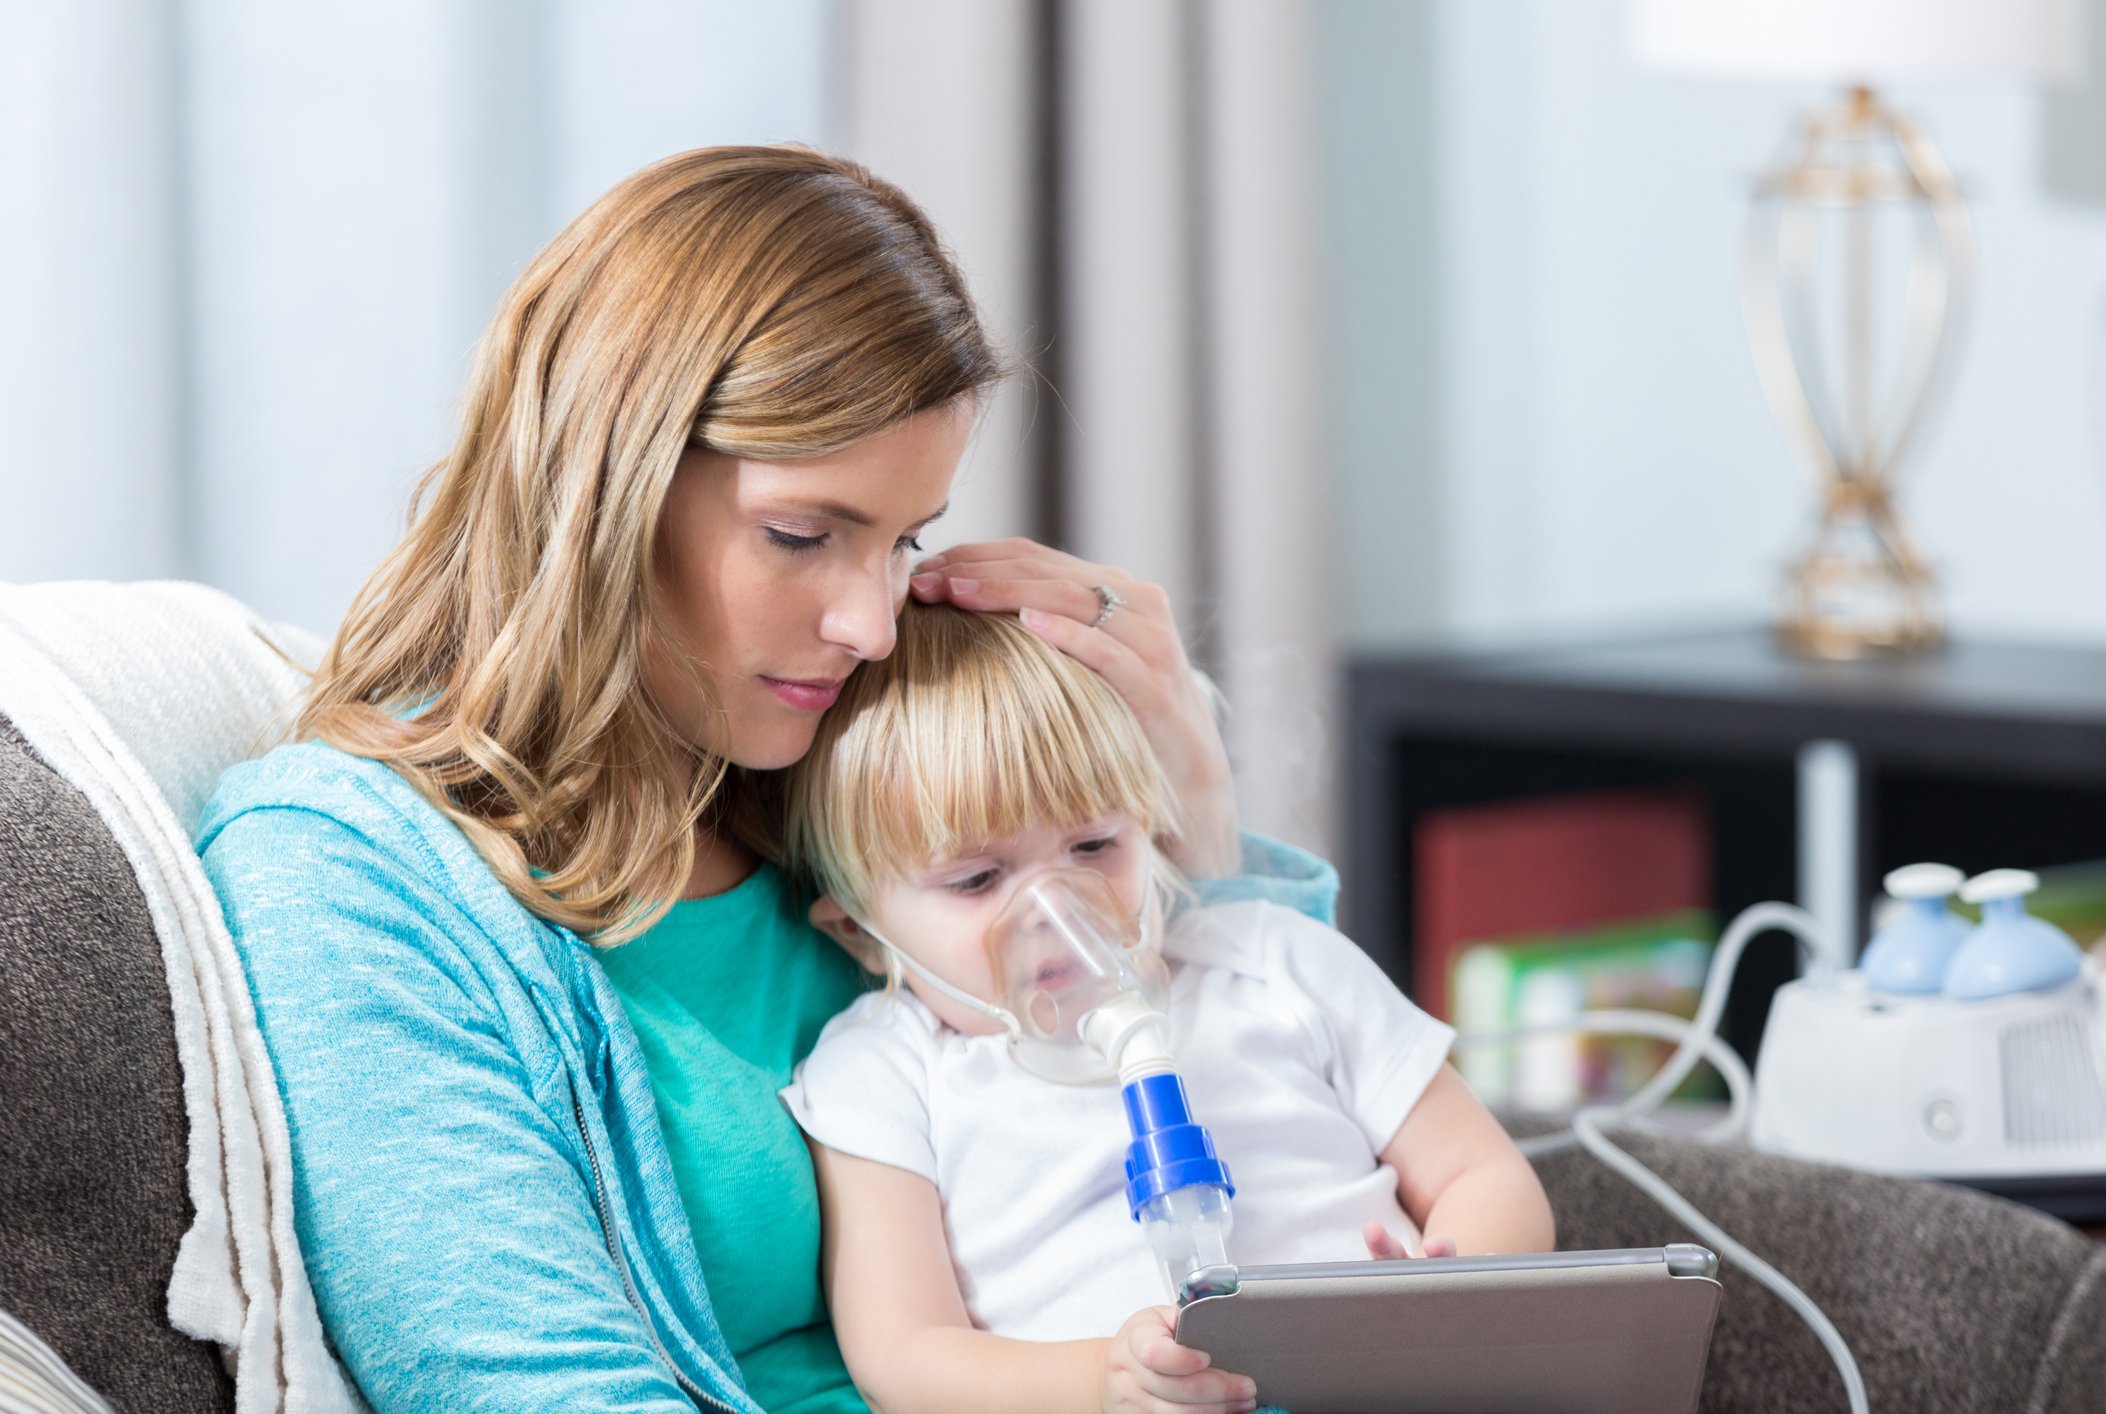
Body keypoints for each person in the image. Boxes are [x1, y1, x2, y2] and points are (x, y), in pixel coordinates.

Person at [196, 145, 1339, 1413]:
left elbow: (1297, 1141)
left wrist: (1185, 774)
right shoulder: (349, 876)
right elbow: (530, 1388)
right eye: (804, 535)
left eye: (904, 539)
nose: (873, 622)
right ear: (605, 488)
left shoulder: (834, 776)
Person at [778, 603, 1555, 1414]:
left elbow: (1484, 1172)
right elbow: (903, 1357)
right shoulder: (883, 1072)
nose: (1054, 909)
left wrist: (1450, 1289)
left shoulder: (1271, 963)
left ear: (1149, 829)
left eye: (1093, 847)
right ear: (860, 933)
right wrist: (1101, 1382)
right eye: (977, 880)